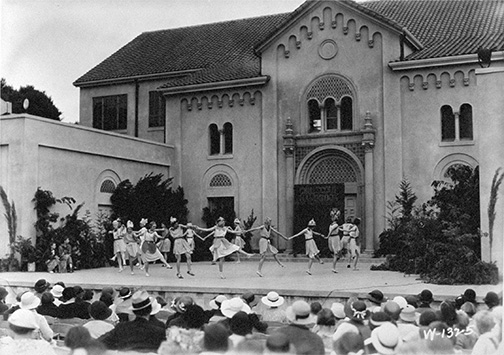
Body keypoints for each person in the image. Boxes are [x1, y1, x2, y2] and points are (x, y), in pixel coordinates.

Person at [99, 289, 166, 351]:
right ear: (150, 310)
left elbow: (100, 343)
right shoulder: (159, 331)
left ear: (134, 311)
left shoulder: (122, 328)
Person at [326, 207, 341, 273]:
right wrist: (327, 236)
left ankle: (334, 265)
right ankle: (333, 267)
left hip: (333, 238)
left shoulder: (331, 225)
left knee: (337, 252)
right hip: (334, 238)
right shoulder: (335, 225)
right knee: (336, 253)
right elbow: (331, 231)